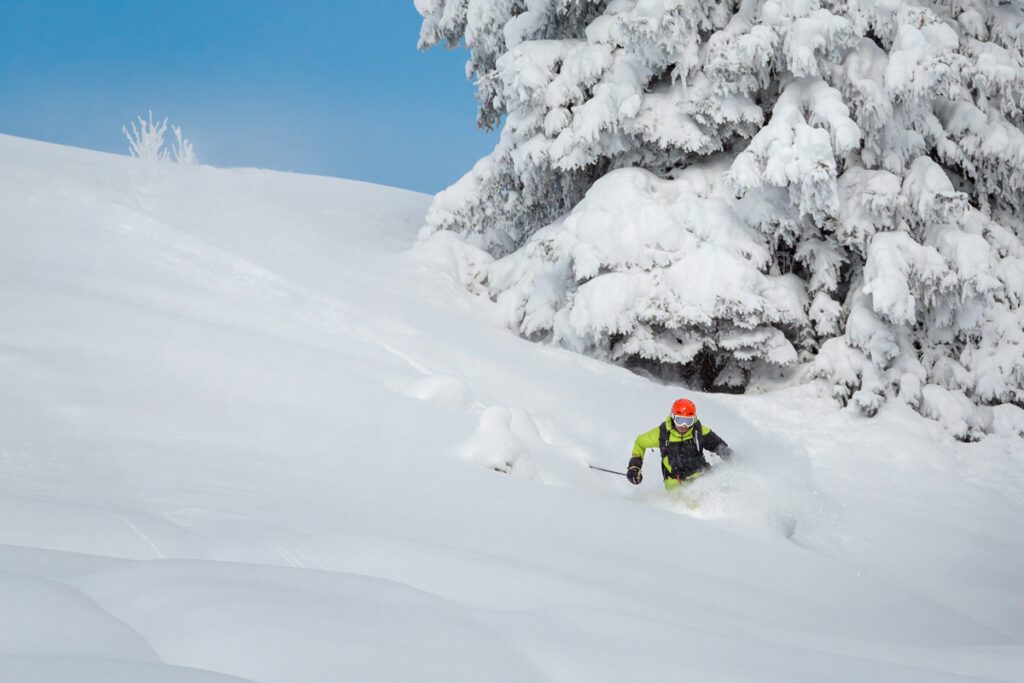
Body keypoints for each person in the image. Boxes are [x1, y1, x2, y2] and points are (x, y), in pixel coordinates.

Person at [626, 398, 733, 490]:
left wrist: (733, 458)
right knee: (693, 507)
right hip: (675, 482)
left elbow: (719, 446)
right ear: (673, 417)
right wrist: (634, 467)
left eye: (688, 421)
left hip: (702, 474)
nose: (684, 426)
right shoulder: (662, 434)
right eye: (680, 420)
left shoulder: (699, 431)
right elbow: (640, 443)